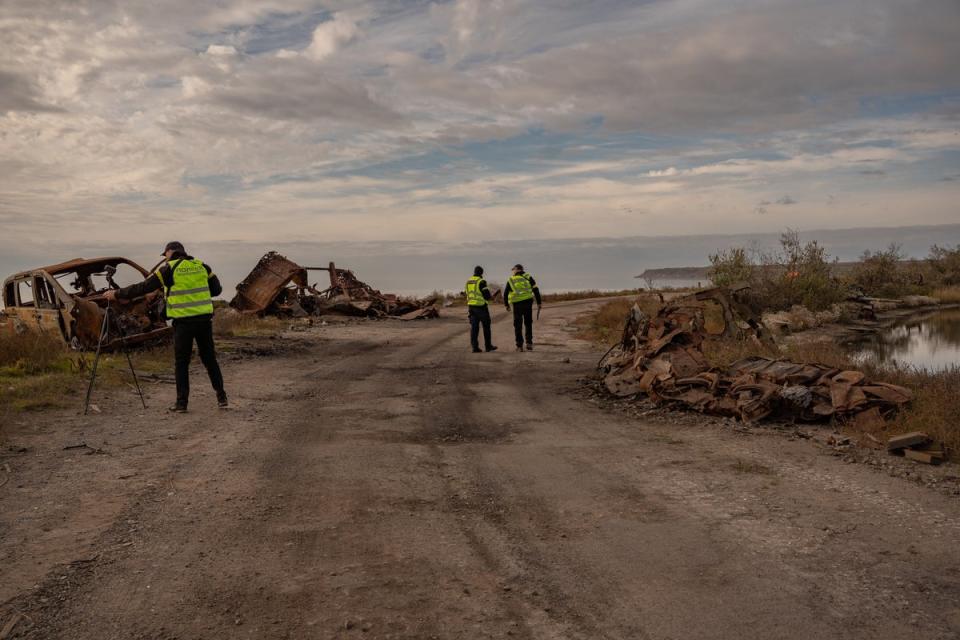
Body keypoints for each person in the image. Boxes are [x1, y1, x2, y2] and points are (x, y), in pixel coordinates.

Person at [105, 241, 227, 412]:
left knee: (182, 363)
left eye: (165, 256)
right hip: (204, 321)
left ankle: (181, 403)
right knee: (209, 359)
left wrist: (116, 294)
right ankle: (221, 396)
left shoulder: (169, 269)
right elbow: (217, 290)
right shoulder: (203, 267)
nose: (165, 259)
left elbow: (143, 287)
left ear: (170, 252)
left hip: (183, 323)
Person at [503, 264, 541, 352]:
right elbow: (536, 290)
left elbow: (505, 293)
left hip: (517, 305)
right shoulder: (528, 277)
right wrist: (539, 302)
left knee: (518, 325)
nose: (513, 271)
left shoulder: (511, 279)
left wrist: (506, 305)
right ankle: (529, 343)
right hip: (527, 303)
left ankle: (519, 346)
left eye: (513, 270)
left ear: (516, 270)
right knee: (528, 323)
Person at [465, 266, 497, 353]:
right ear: (482, 273)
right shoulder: (481, 281)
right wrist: (492, 297)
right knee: (486, 327)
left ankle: (475, 347)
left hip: (471, 307)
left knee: (474, 328)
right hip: (481, 307)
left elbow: (467, 294)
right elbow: (486, 296)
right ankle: (488, 346)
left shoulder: (468, 281)